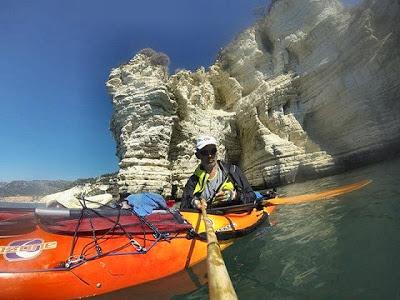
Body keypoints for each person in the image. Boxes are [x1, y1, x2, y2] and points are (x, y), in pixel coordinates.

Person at [180, 135, 256, 209]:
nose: (210, 155)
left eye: (213, 151)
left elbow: (252, 196)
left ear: (217, 152)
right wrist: (194, 202)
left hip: (235, 216)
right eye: (204, 152)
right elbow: (183, 206)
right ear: (198, 155)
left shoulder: (233, 170)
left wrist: (235, 196)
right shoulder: (193, 181)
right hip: (211, 219)